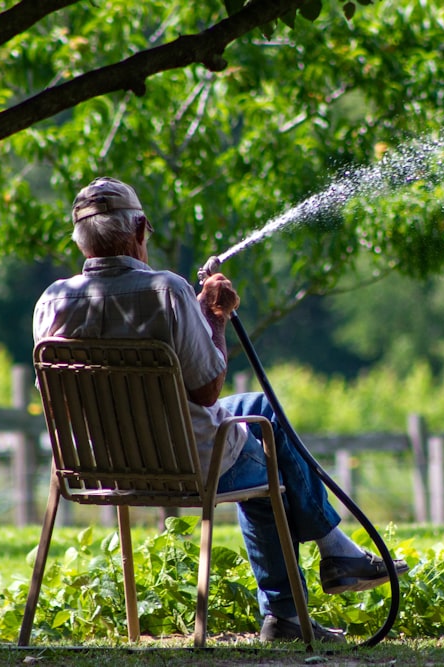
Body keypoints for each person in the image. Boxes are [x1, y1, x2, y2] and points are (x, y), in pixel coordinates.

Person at [33, 177, 408, 643]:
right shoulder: (167, 291)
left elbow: (60, 398)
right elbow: (208, 390)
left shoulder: (52, 300)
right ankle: (308, 586)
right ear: (141, 229)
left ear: (79, 239)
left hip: (93, 466)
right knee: (268, 456)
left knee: (258, 408)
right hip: (186, 464)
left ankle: (334, 557)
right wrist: (213, 318)